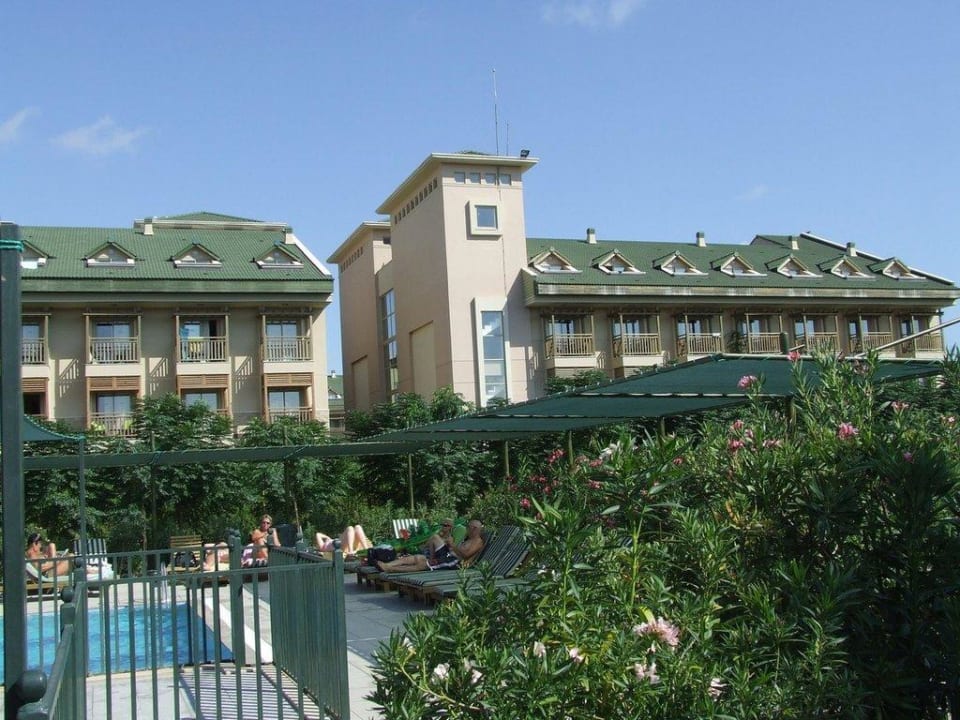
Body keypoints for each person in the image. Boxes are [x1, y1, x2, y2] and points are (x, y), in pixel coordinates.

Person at [376, 519, 485, 573]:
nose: (466, 529)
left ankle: (390, 569)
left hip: (454, 563)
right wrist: (449, 545)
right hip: (448, 556)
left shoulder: (478, 542)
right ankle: (388, 565)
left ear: (474, 529)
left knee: (423, 564)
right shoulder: (468, 539)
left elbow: (465, 555)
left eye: (468, 527)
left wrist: (452, 545)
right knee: (417, 558)